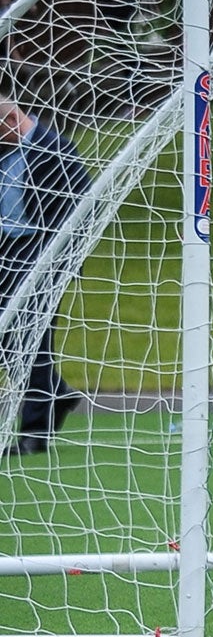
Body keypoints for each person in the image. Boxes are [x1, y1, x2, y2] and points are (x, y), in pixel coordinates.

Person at [0, 95, 90, 454]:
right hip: (9, 255)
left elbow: (83, 206)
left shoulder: (56, 149)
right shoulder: (3, 153)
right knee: (10, 338)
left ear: (9, 123)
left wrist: (59, 261)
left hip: (44, 257)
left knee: (33, 342)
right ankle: (58, 393)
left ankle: (34, 433)